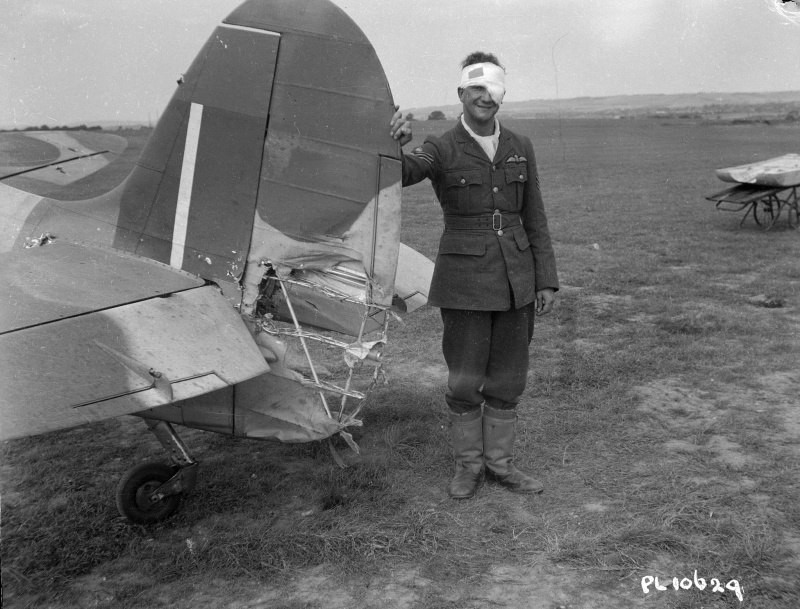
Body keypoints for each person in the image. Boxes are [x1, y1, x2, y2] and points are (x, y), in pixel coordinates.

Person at [389, 51, 559, 499]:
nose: (486, 97)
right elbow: (406, 172)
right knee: (465, 378)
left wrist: (545, 279)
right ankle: (468, 467)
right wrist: (392, 145)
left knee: (509, 377)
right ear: (461, 94)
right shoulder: (442, 146)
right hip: (464, 280)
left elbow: (535, 215)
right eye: (476, 89)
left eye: (494, 89)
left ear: (502, 94)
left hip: (515, 279)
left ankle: (500, 465)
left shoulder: (520, 145)